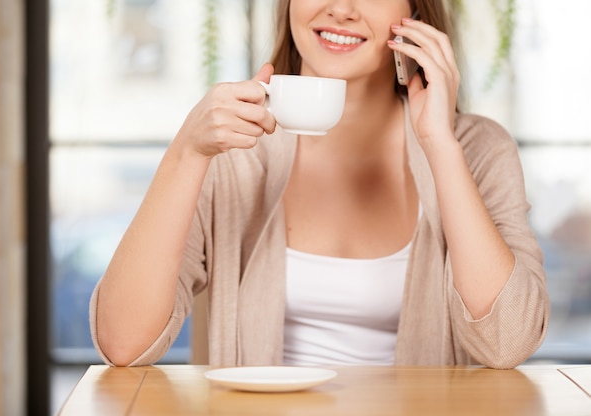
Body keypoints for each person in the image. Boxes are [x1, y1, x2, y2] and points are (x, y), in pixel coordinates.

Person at [89, 0, 549, 369]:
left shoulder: (478, 149)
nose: (342, 8)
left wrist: (440, 145)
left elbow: (506, 342)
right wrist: (185, 154)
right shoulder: (231, 152)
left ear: (416, 15)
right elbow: (123, 343)